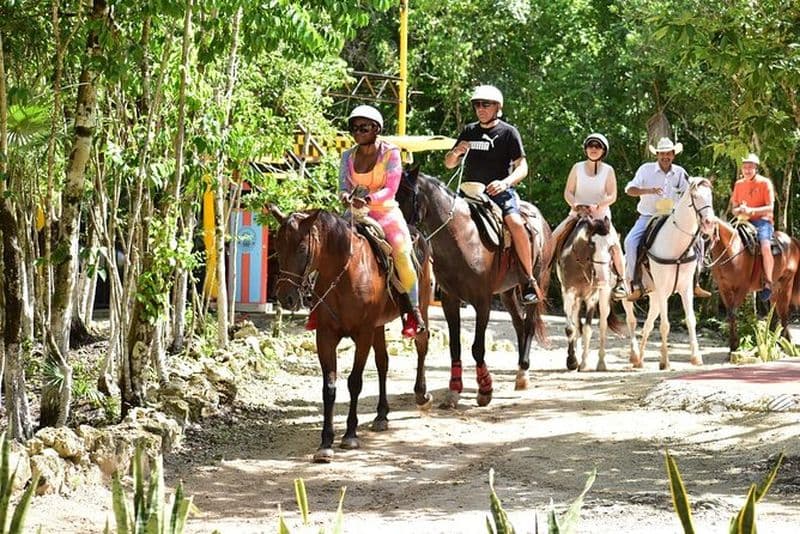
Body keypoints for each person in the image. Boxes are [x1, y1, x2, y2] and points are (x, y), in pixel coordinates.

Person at [307, 105, 425, 338]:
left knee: (402, 254)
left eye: (365, 127)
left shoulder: (390, 153)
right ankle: (317, 306)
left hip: (385, 212)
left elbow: (391, 188)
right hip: (353, 213)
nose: (358, 131)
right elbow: (343, 185)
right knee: (324, 248)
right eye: (354, 127)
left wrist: (369, 199)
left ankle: (412, 312)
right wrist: (344, 195)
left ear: (377, 129)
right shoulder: (347, 156)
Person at [443, 85, 540, 304]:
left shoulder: (508, 132)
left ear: (498, 107)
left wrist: (505, 183)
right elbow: (449, 164)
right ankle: (449, 279)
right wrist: (456, 152)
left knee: (515, 222)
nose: (480, 109)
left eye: (485, 104)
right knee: (443, 222)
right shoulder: (468, 131)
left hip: (498, 193)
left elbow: (522, 167)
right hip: (469, 192)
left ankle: (527, 279)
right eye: (477, 104)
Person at [623, 137, 711, 301]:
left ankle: (696, 282)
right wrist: (648, 191)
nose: (665, 156)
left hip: (673, 218)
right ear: (657, 154)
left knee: (699, 240)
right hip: (649, 216)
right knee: (630, 242)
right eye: (662, 153)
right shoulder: (645, 170)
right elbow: (629, 189)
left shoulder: (680, 173)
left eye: (668, 153)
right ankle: (634, 284)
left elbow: (691, 193)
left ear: (673, 155)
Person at [552, 133, 627, 299]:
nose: (593, 149)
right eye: (590, 146)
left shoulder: (608, 170)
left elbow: (612, 195)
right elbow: (568, 192)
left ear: (603, 150)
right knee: (552, 238)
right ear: (586, 149)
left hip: (600, 217)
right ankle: (540, 274)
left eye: (597, 146)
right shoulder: (577, 167)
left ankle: (621, 281)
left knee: (615, 245)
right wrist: (576, 205)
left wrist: (598, 205)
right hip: (577, 215)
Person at [730, 153, 775, 301]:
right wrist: (740, 211)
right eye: (745, 167)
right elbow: (734, 208)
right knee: (725, 241)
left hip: (762, 221)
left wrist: (752, 211)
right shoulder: (738, 184)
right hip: (743, 221)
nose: (747, 170)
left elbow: (770, 208)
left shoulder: (765, 183)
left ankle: (768, 282)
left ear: (756, 168)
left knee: (765, 246)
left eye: (750, 167)